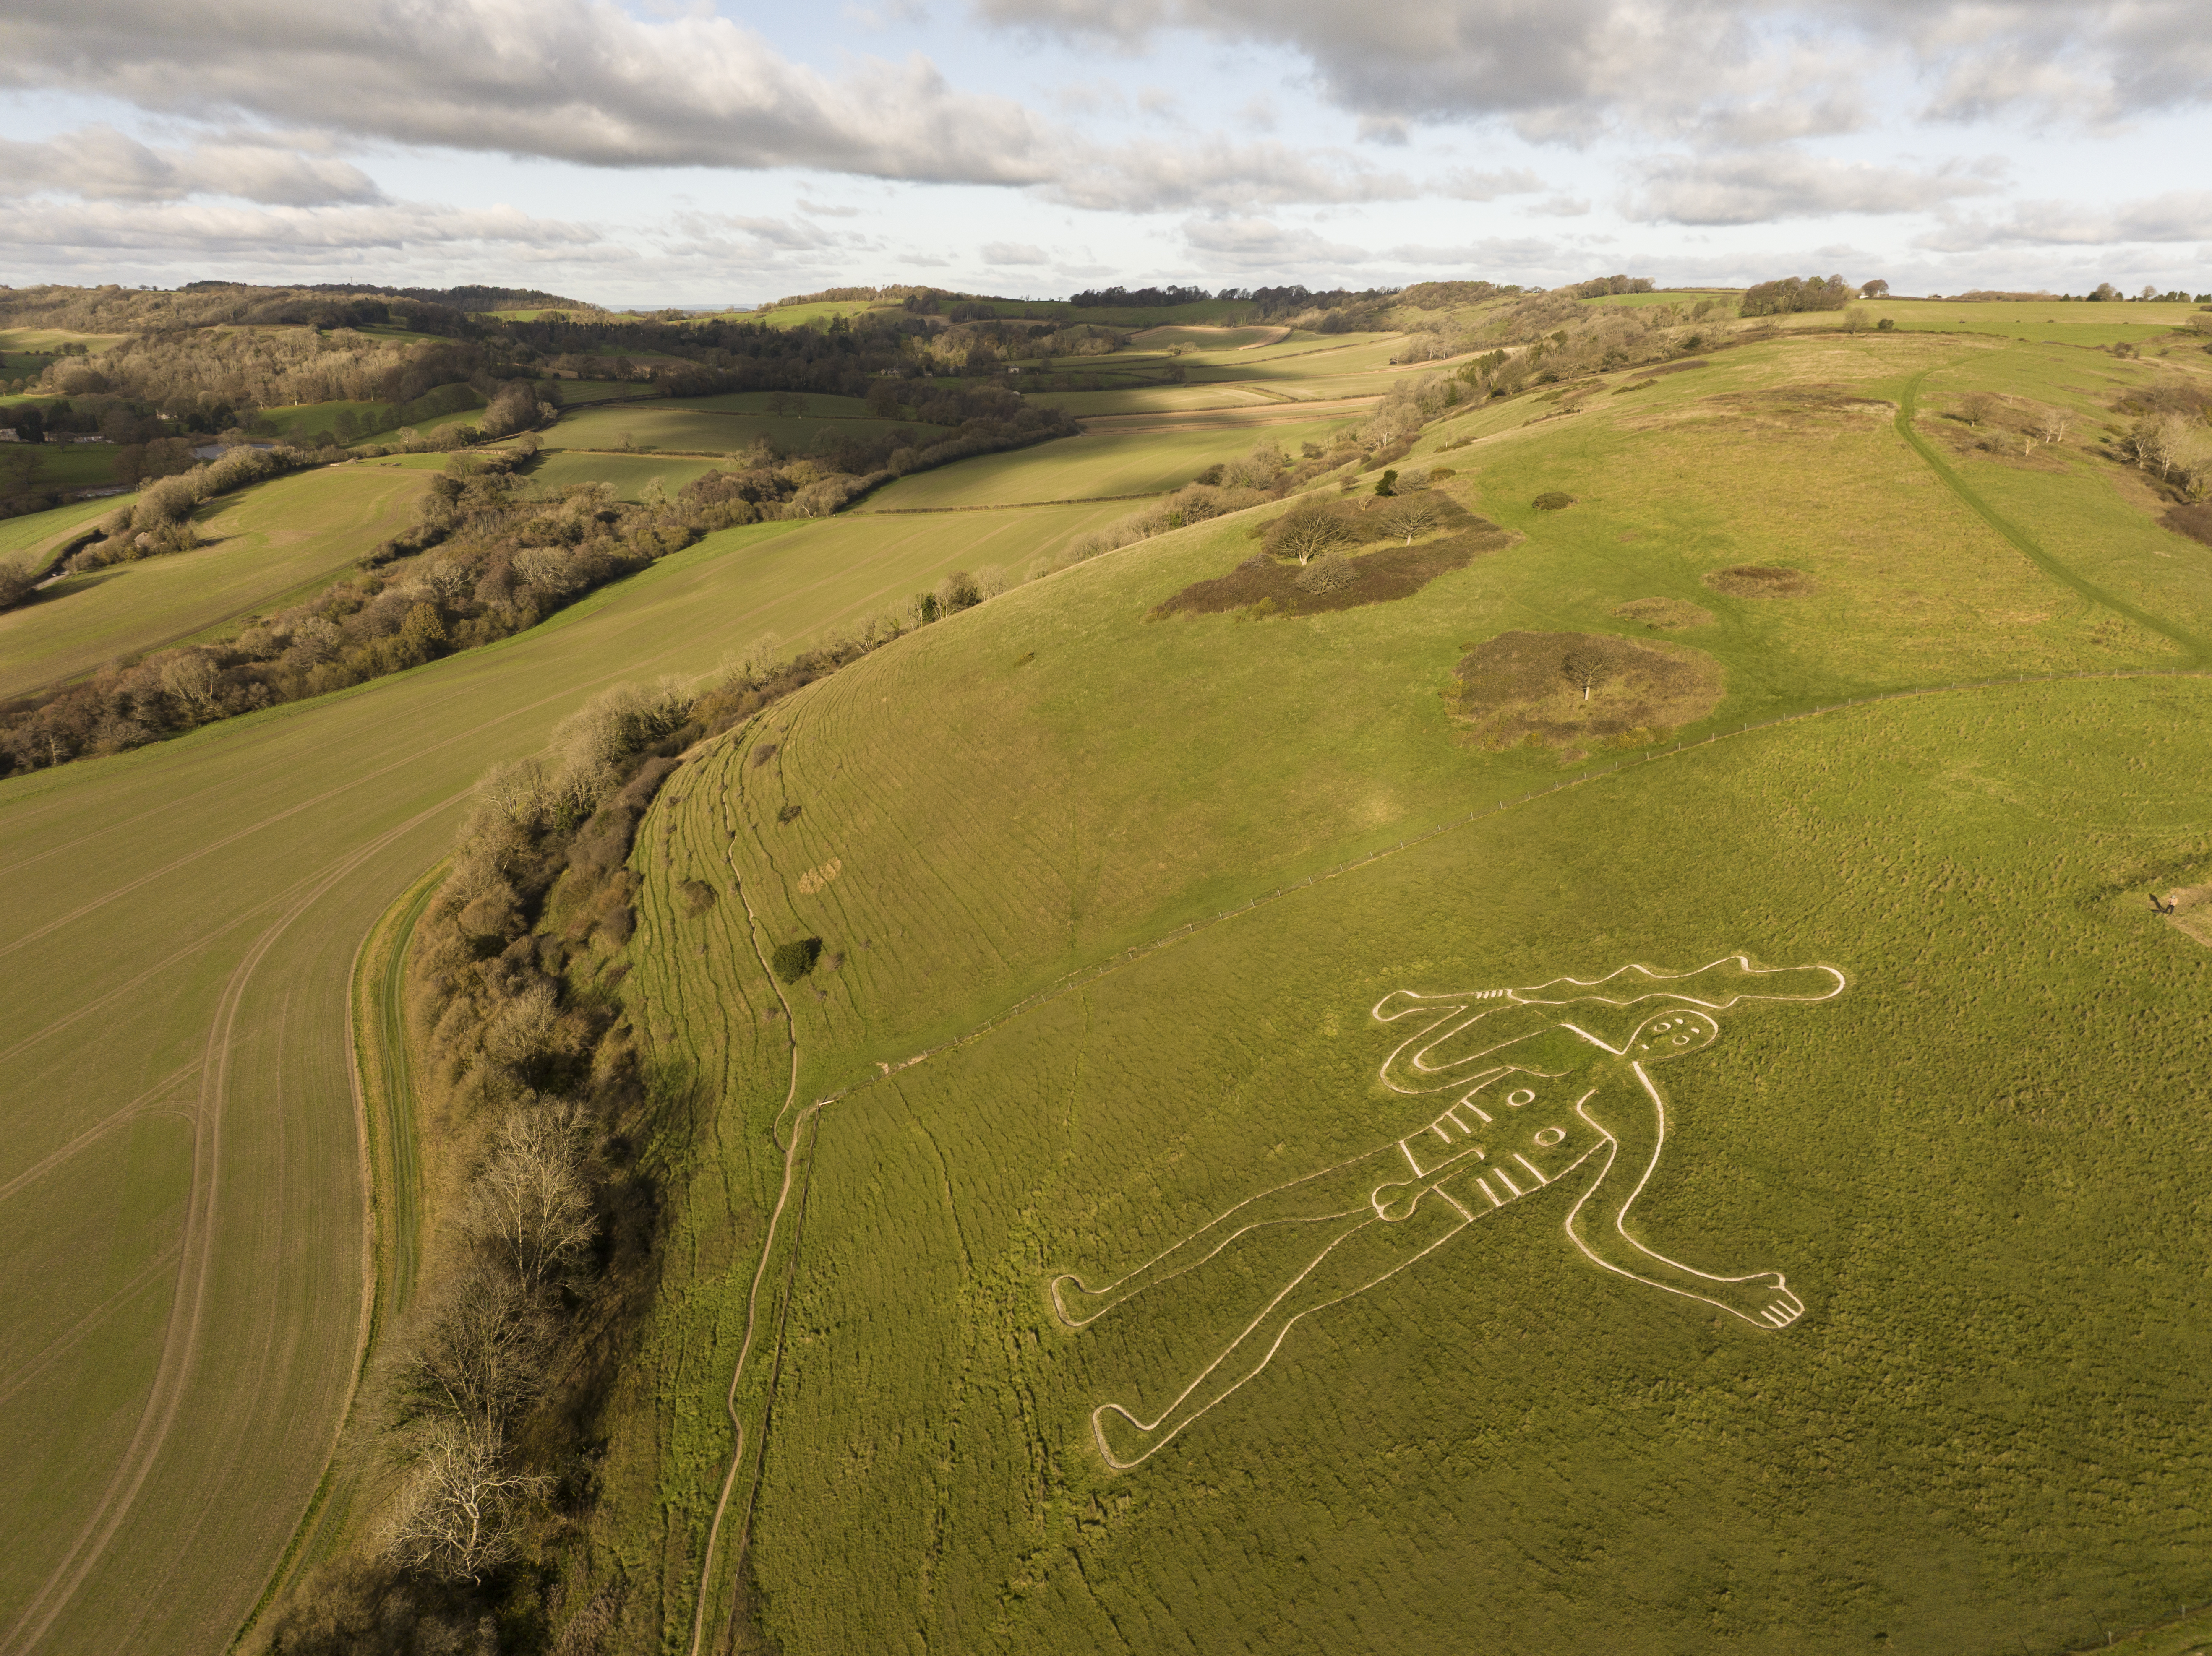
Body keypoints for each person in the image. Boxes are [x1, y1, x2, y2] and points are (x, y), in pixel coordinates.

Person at [1049, 956, 1846, 1469]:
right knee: (1252, 1216)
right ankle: (1104, 1300)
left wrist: (1721, 1288)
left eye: (1689, 1036)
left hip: (1445, 1212)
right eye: (1674, 1018)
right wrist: (1469, 1012)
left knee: (1290, 1308)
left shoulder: (1636, 1118)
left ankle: (1150, 1431)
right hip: (1400, 1164)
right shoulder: (1557, 1041)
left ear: (1684, 1052)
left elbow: (1598, 1229)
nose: (1675, 1032)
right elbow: (1419, 1072)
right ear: (1651, 1014)